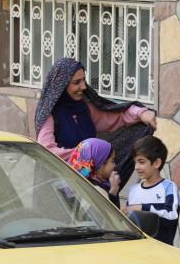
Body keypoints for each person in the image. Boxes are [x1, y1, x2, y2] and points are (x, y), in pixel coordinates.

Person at [34, 57, 158, 186]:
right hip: (60, 185)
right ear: (61, 85)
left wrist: (141, 113)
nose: (83, 86)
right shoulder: (49, 114)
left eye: (84, 80)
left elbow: (115, 116)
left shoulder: (84, 107)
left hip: (89, 187)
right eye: (76, 82)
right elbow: (46, 152)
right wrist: (86, 154)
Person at [124, 135, 180, 245]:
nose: (136, 167)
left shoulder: (169, 187)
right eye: (135, 162)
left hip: (161, 251)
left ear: (157, 163)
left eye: (141, 162)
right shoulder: (133, 190)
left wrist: (143, 208)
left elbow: (172, 216)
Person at [67, 137, 121, 205]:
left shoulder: (72, 179)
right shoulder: (95, 191)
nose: (114, 165)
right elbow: (106, 211)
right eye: (112, 160)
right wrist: (113, 192)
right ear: (100, 162)